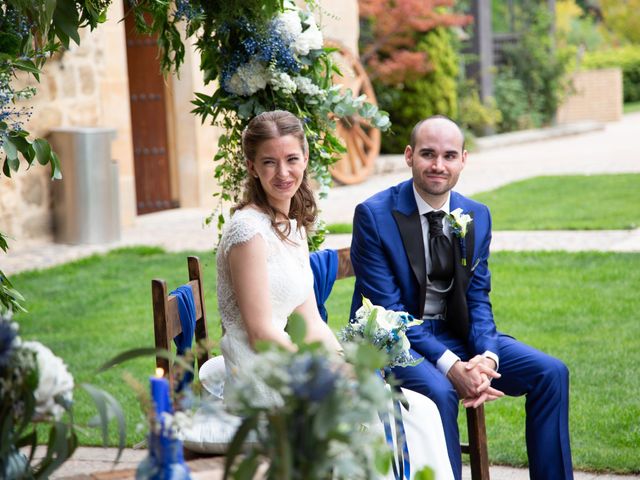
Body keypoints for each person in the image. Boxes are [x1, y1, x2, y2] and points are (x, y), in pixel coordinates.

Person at [208, 110, 455, 479]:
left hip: (291, 363)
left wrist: (346, 362)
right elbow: (261, 334)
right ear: (252, 166)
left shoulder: (290, 226)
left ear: (305, 159)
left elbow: (309, 320)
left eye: (292, 159)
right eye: (269, 162)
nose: (283, 173)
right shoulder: (247, 232)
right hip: (263, 374)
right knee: (371, 419)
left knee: (418, 410)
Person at [349, 115, 573, 480]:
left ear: (463, 160)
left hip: (458, 334)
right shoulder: (374, 216)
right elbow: (390, 315)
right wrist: (454, 367)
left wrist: (486, 356)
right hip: (393, 342)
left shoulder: (476, 215)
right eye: (428, 154)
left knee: (550, 373)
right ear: (409, 156)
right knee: (442, 389)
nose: (438, 165)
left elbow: (478, 297)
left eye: (449, 156)